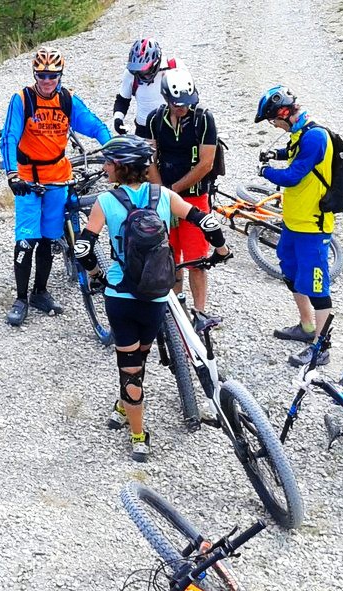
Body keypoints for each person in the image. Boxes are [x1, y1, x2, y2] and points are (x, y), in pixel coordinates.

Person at [74, 135, 231, 461]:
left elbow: (85, 248)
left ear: (119, 167)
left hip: (122, 297)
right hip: (157, 297)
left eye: (108, 162)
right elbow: (208, 221)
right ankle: (125, 405)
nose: (104, 167)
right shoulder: (164, 196)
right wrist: (221, 250)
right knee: (140, 357)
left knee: (130, 366)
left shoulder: (106, 202)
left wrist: (97, 277)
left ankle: (138, 435)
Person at [0, 47, 112, 327]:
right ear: (35, 74)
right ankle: (21, 298)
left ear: (60, 75)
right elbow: (9, 137)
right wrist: (12, 174)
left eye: (52, 75)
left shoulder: (67, 100)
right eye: (42, 75)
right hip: (27, 175)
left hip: (57, 176)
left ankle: (40, 292)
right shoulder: (23, 99)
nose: (47, 80)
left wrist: (113, 153)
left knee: (49, 240)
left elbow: (95, 127)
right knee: (27, 239)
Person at [254, 85, 336, 367]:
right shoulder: (299, 134)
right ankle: (306, 327)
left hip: (313, 225)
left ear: (285, 113)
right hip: (293, 222)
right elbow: (292, 154)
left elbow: (293, 176)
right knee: (289, 270)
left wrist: (266, 171)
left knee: (316, 284)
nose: (273, 124)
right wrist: (275, 156)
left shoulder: (315, 136)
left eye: (273, 119)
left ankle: (321, 347)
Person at [146, 66, 222, 333]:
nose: (183, 109)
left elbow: (206, 163)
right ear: (167, 99)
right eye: (178, 105)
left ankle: (200, 314)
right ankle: (176, 311)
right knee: (169, 257)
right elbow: (150, 158)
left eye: (187, 104)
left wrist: (172, 191)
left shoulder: (203, 119)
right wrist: (160, 193)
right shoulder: (155, 119)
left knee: (196, 260)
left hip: (195, 198)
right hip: (166, 198)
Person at [111, 38, 178, 140]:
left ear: (155, 63)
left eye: (145, 69)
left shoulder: (173, 67)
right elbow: (123, 100)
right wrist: (118, 119)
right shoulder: (130, 73)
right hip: (144, 128)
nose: (142, 74)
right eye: (138, 70)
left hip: (172, 125)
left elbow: (189, 97)